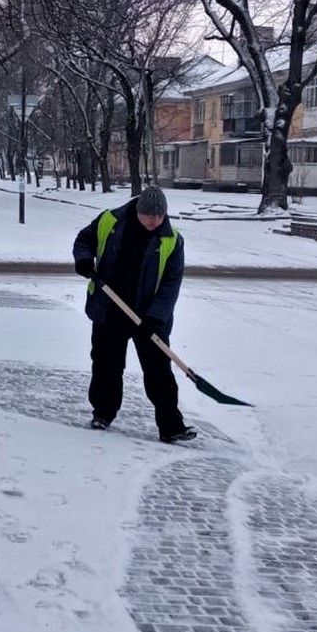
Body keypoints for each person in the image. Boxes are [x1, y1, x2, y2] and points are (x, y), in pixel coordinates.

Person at [72, 186, 196, 443]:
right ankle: (103, 414)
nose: (155, 221)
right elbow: (84, 240)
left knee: (159, 372)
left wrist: (155, 318)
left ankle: (171, 426)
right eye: (150, 216)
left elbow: (171, 284)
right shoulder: (111, 221)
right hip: (109, 308)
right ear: (138, 211)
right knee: (106, 365)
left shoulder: (172, 239)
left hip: (148, 317)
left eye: (160, 216)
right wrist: (84, 259)